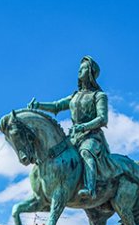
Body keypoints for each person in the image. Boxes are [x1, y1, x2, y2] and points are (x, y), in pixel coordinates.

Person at [28, 56, 117, 201]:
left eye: (83, 68)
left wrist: (84, 126)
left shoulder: (99, 96)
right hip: (74, 137)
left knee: (86, 153)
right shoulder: (75, 96)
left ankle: (90, 188)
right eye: (79, 68)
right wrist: (39, 105)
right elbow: (57, 106)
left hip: (92, 136)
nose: (79, 71)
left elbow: (102, 118)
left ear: (91, 72)